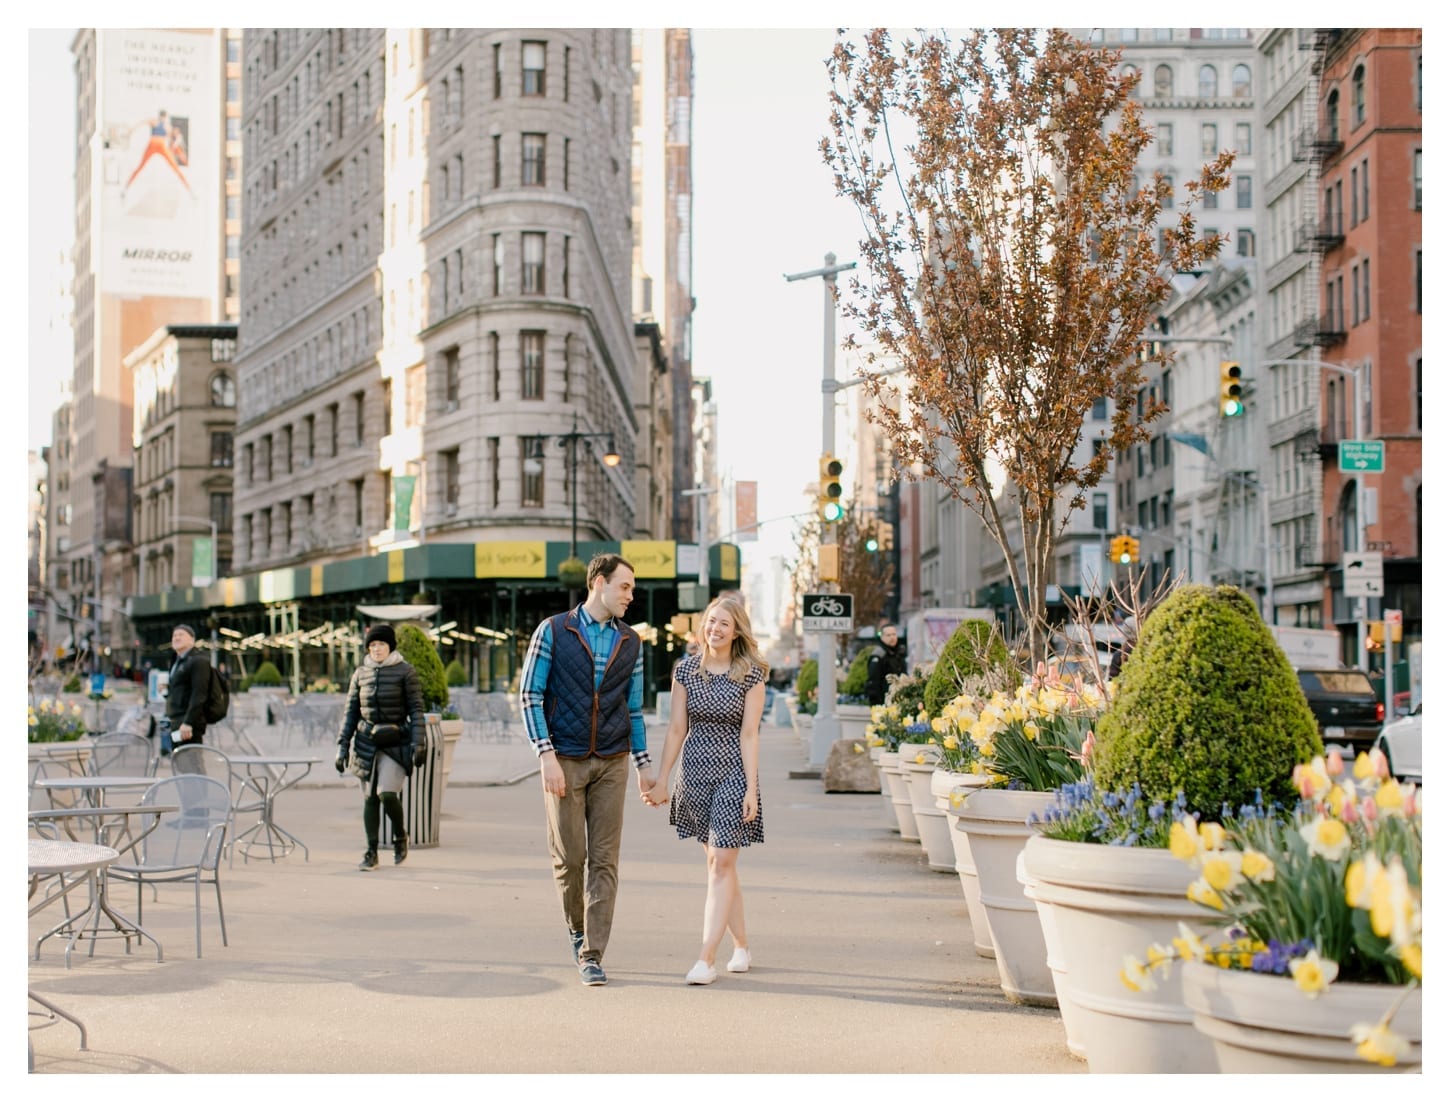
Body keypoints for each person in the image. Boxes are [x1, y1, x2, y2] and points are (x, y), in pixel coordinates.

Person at [519, 553, 654, 987]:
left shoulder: (631, 641)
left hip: (612, 760)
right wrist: (545, 755)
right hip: (565, 759)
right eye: (625, 587)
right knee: (569, 857)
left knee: (604, 859)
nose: (631, 596)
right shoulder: (554, 631)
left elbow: (633, 709)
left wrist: (643, 765)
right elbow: (529, 695)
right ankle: (575, 927)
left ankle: (592, 951)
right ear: (598, 582)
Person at [645, 593, 768, 985]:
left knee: (721, 863)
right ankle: (743, 945)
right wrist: (663, 778)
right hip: (695, 773)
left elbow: (750, 734)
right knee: (720, 865)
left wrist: (751, 788)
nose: (715, 628)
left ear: (736, 633)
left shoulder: (751, 673)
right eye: (711, 621)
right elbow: (677, 729)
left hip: (733, 771)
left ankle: (706, 958)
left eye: (724, 624)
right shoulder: (685, 670)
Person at [335, 623, 425, 871]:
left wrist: (418, 742)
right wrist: (342, 746)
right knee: (369, 798)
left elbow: (417, 710)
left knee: (386, 793)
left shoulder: (406, 672)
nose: (376, 649)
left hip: (395, 743)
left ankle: (400, 835)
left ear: (390, 647)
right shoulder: (360, 674)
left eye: (381, 644)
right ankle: (371, 852)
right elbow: (350, 713)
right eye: (372, 645)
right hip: (367, 743)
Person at [166, 624, 212, 774]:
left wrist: (188, 722)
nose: (177, 638)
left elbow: (199, 694)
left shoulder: (198, 660)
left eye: (181, 635)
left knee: (192, 764)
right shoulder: (177, 661)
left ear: (192, 640)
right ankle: (189, 797)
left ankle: (199, 797)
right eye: (174, 635)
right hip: (177, 721)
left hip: (187, 724)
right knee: (181, 762)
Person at [122, 110, 193, 199]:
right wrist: (176, 149)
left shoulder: (155, 121)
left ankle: (126, 188)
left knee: (140, 166)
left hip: (153, 142)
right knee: (175, 168)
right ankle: (190, 190)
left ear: (160, 116)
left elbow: (141, 123)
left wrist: (131, 131)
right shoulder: (167, 126)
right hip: (161, 143)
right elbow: (172, 140)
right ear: (165, 116)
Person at [865, 624, 908, 706]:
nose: (892, 637)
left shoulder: (899, 653)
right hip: (883, 701)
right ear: (882, 637)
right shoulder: (879, 655)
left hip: (898, 700)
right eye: (888, 635)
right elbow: (873, 682)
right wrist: (876, 704)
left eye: (894, 634)